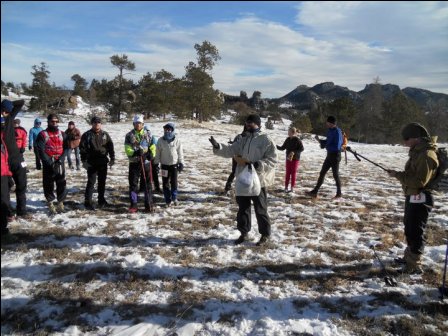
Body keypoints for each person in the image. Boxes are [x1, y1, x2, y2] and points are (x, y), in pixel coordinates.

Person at [209, 114, 277, 246]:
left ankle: (265, 235)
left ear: (257, 124)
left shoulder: (266, 140)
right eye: (246, 122)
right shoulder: (244, 139)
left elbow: (273, 159)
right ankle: (244, 233)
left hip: (259, 180)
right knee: (243, 208)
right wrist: (218, 146)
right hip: (243, 180)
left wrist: (259, 164)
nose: (247, 125)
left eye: (250, 122)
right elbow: (231, 150)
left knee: (260, 209)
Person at [387, 123, 439, 273]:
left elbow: (419, 181)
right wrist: (397, 174)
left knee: (416, 230)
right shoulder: (417, 152)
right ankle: (409, 258)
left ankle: (414, 265)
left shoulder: (426, 155)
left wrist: (398, 175)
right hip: (413, 195)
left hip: (421, 197)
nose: (404, 142)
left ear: (416, 138)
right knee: (409, 227)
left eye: (406, 138)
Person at [79, 116, 115, 210]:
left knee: (102, 182)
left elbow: (110, 146)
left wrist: (112, 158)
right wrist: (84, 161)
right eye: (95, 122)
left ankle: (101, 200)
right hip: (91, 162)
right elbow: (82, 149)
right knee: (91, 182)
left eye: (98, 122)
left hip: (103, 161)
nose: (97, 124)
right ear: (92, 124)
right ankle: (88, 202)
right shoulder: (87, 135)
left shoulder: (105, 134)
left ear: (101, 124)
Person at [36, 113, 68, 214]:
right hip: (48, 162)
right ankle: (50, 202)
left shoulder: (62, 134)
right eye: (52, 121)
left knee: (61, 182)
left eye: (56, 121)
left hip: (59, 161)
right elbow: (40, 150)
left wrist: (61, 160)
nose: (54, 123)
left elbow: (66, 148)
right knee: (48, 183)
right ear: (48, 122)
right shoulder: (42, 134)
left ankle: (60, 202)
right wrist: (49, 162)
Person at [1, 99, 28, 217]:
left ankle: (22, 210)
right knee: (5, 189)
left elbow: (21, 102)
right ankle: (7, 213)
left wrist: (6, 106)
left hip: (17, 158)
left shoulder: (10, 117)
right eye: (4, 112)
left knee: (22, 185)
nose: (5, 114)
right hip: (4, 161)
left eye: (7, 112)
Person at [306, 116, 343, 199]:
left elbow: (337, 146)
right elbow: (328, 141)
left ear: (332, 123)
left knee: (335, 175)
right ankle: (315, 191)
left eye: (328, 122)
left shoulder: (337, 132)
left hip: (335, 155)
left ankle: (339, 193)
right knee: (322, 173)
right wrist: (320, 141)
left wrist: (325, 145)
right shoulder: (330, 130)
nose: (326, 124)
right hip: (329, 155)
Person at [124, 115, 154, 212]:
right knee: (133, 184)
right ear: (133, 124)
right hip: (134, 163)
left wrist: (151, 154)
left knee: (147, 184)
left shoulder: (148, 134)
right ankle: (134, 204)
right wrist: (134, 152)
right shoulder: (129, 135)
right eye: (136, 123)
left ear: (143, 124)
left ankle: (148, 204)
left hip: (146, 163)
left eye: (140, 123)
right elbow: (127, 148)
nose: (138, 125)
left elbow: (153, 145)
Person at [154, 122, 184, 207]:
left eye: (169, 129)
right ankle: (167, 200)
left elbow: (180, 153)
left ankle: (174, 197)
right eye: (165, 129)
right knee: (165, 183)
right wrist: (156, 164)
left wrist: (181, 163)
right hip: (164, 165)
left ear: (173, 130)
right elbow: (157, 154)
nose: (167, 131)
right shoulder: (160, 140)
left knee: (174, 182)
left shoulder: (177, 141)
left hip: (174, 165)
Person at [276, 127, 304, 193]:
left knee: (293, 173)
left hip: (295, 159)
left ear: (293, 133)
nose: (288, 133)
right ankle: (286, 187)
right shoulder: (288, 139)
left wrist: (294, 152)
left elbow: (301, 149)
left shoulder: (297, 140)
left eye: (289, 132)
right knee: (288, 173)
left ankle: (292, 188)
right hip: (288, 159)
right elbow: (282, 148)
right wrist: (275, 146)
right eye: (288, 132)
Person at [224, 125, 248, 194]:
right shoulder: (240, 137)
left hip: (244, 157)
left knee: (236, 172)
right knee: (235, 172)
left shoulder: (248, 137)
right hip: (237, 157)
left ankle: (229, 188)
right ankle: (228, 188)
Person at [1, 116, 13, 235]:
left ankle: (3, 226)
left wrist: (8, 174)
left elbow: (4, 159)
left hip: (4, 174)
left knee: (4, 199)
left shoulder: (2, 140)